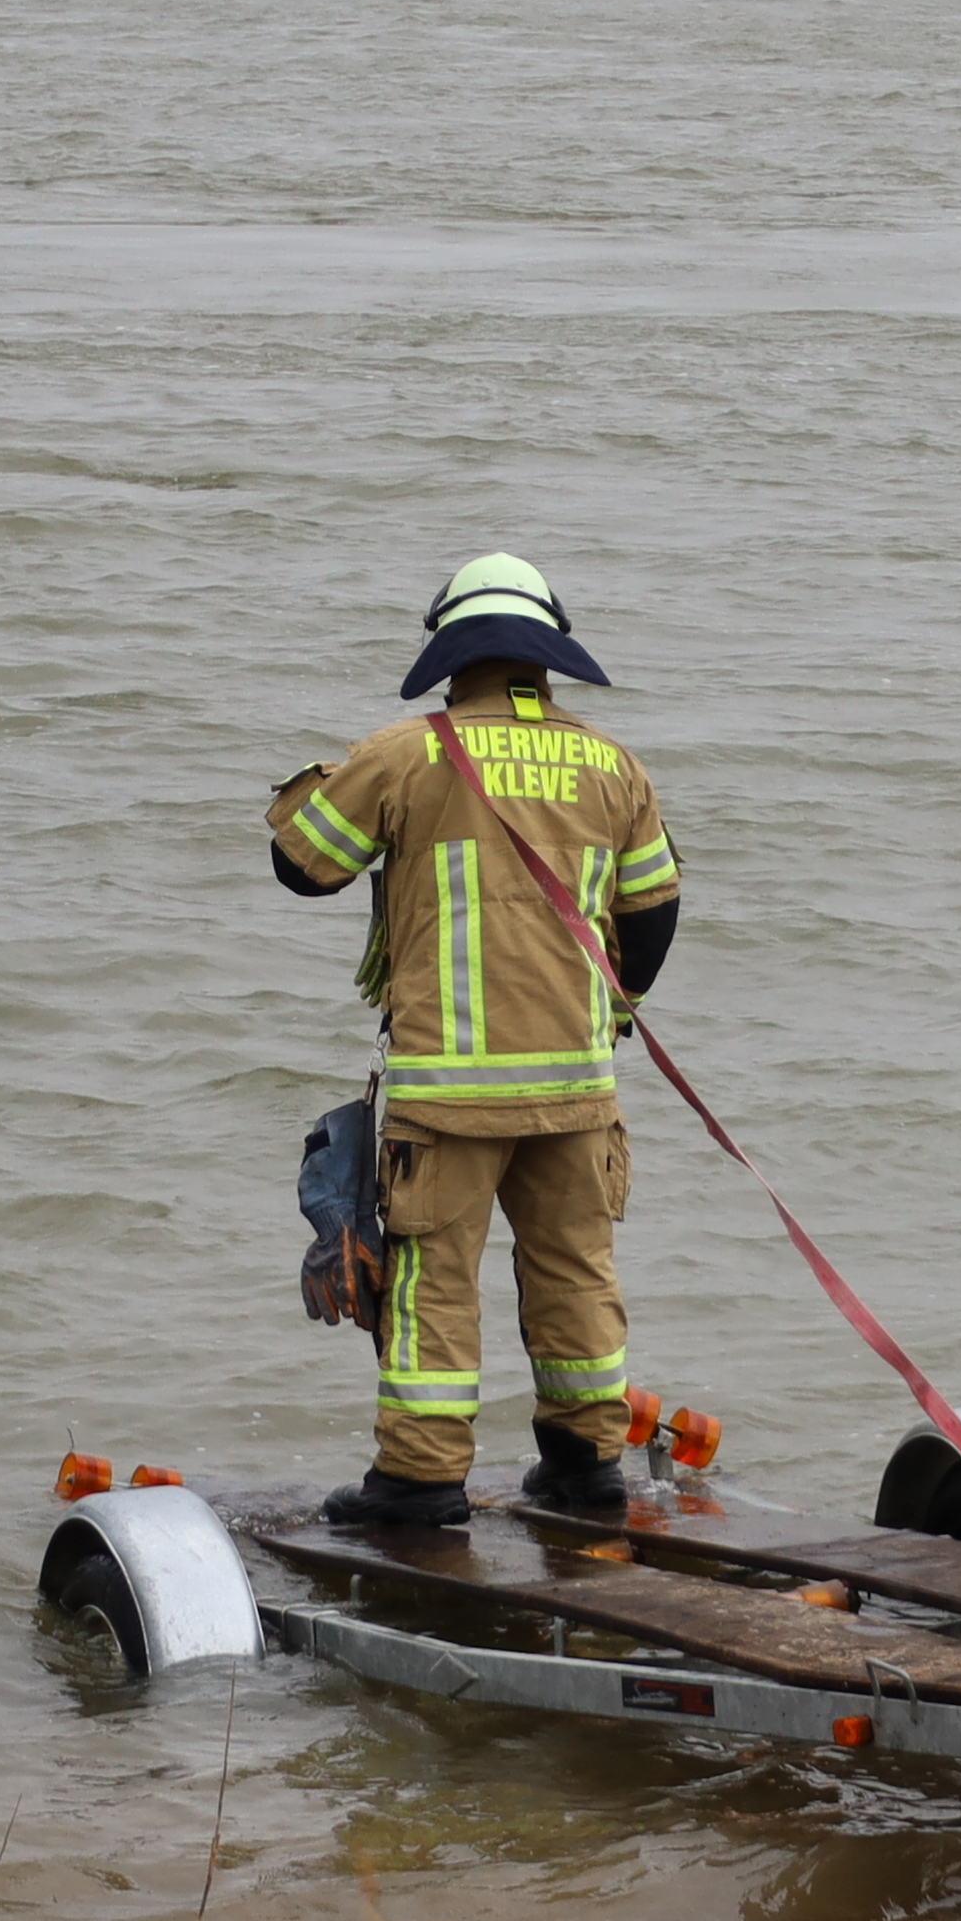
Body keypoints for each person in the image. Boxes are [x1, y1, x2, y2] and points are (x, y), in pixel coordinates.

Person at [265, 556, 682, 1531]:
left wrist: (326, 778)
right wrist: (609, 1013)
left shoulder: (409, 754)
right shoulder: (612, 765)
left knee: (431, 1284)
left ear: (452, 655)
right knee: (577, 1270)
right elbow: (655, 913)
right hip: (578, 1090)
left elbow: (301, 863)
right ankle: (585, 1468)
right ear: (545, 658)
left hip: (448, 1100)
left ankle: (419, 1482)